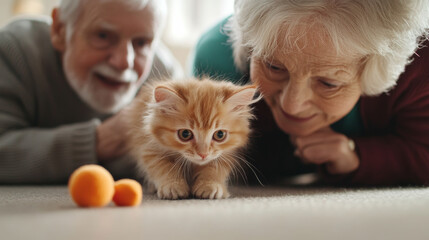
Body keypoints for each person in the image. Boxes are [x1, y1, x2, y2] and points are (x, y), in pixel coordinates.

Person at [192, 0, 429, 186]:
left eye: (328, 83)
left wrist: (357, 156)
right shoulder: (217, 66)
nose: (291, 105)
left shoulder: (419, 67)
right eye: (274, 67)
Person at [0, 0, 183, 183]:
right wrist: (101, 141)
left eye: (142, 42)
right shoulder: (14, 52)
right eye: (103, 36)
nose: (124, 61)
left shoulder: (164, 79)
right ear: (60, 30)